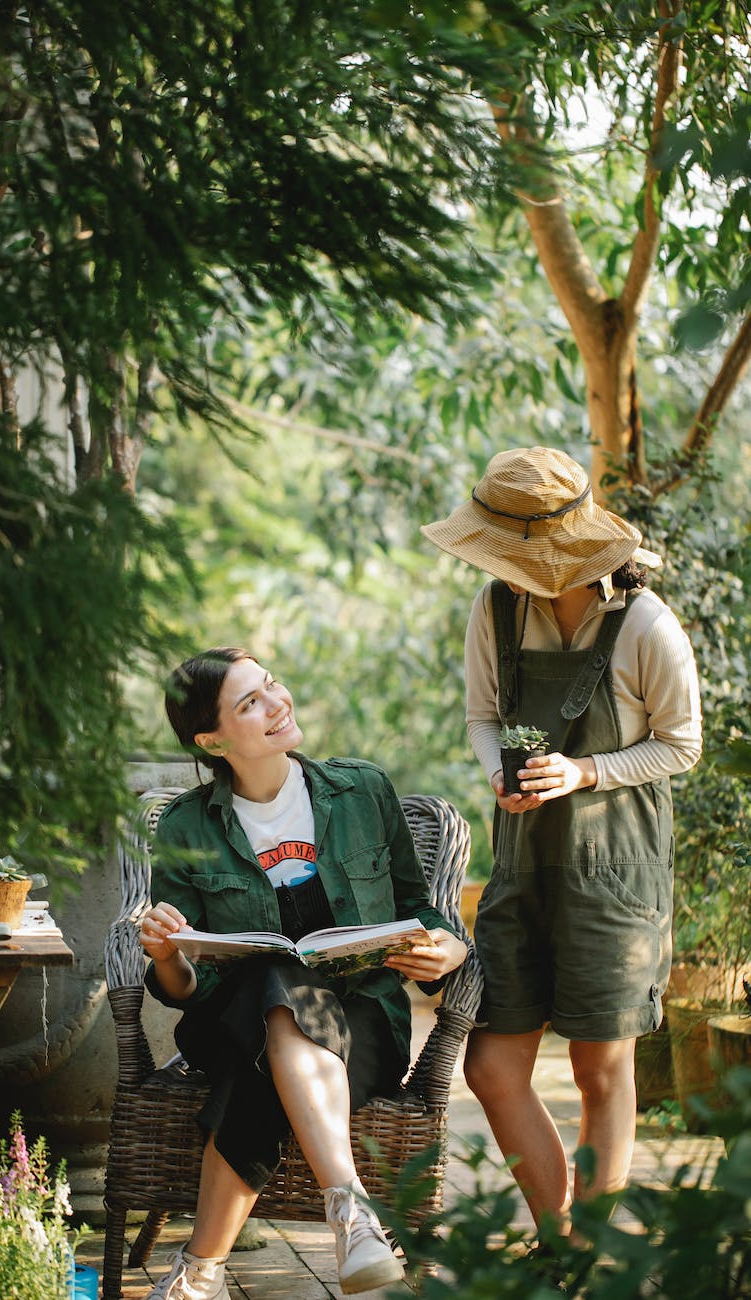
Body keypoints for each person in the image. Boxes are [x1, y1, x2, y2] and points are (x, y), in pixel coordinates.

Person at [421, 446, 702, 1243]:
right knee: (491, 1064)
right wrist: (496, 776)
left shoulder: (645, 622)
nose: (499, 569)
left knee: (598, 1066)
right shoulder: (495, 608)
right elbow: (482, 719)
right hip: (521, 867)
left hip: (616, 871)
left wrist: (583, 772)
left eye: (511, 555)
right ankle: (556, 1228)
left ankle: (582, 1249)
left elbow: (681, 745)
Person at [139, 647, 468, 1300]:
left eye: (271, 685)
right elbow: (184, 992)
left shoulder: (362, 790)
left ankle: (198, 1273)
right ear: (211, 739)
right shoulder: (185, 826)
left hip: (364, 1023)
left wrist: (448, 950)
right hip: (228, 1023)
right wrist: (165, 954)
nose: (276, 701)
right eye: (249, 702)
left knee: (258, 1072)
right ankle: (351, 1212)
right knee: (274, 987)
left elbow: (421, 908)